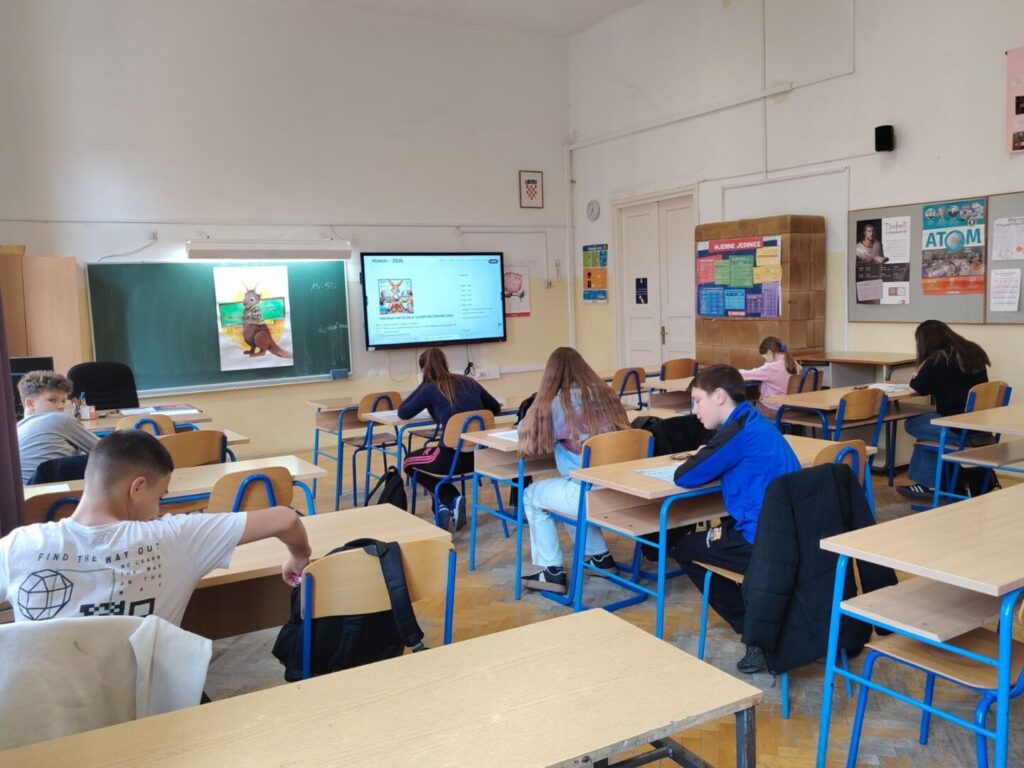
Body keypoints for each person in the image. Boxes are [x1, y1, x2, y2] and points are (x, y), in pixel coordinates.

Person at [0, 430, 311, 624]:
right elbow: (285, 518)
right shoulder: (175, 537)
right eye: (160, 496)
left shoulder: (18, 544)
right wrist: (298, 557)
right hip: (149, 705)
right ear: (137, 488)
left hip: (42, 708)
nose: (158, 509)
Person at [671, 364, 800, 674]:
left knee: (684, 549)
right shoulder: (756, 421)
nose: (694, 411)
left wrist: (704, 452)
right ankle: (764, 616)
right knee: (719, 531)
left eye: (697, 400)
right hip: (790, 532)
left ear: (719, 396)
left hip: (761, 540)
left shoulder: (735, 433)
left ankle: (753, 627)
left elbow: (684, 476)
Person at [516, 347, 631, 594]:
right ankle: (599, 557)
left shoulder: (556, 403)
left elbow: (525, 436)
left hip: (586, 494)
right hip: (617, 489)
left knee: (532, 496)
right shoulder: (607, 396)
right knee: (565, 492)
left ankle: (550, 571)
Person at [400, 347, 501, 530]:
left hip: (449, 460)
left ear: (423, 370)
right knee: (428, 464)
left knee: (408, 463)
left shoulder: (429, 389)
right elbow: (495, 408)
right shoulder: (469, 382)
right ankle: (441, 507)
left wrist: (424, 383)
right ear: (446, 363)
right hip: (479, 458)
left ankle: (451, 498)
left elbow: (403, 412)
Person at [897, 320, 990, 501]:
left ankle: (928, 485)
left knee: (913, 424)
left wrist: (920, 370)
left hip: (958, 427)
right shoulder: (973, 352)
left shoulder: (938, 360)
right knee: (929, 435)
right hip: (980, 425)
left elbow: (917, 388)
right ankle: (925, 484)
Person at [16, 371, 100, 484]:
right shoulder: (58, 419)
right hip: (53, 492)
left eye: (63, 401)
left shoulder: (16, 429)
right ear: (30, 404)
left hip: (27, 493)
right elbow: (109, 451)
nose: (61, 406)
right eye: (52, 400)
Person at [737, 337, 801, 418]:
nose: (766, 361)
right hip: (791, 409)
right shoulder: (794, 363)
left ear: (769, 352)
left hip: (772, 410)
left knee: (739, 413)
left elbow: (746, 374)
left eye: (765, 358)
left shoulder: (771, 368)